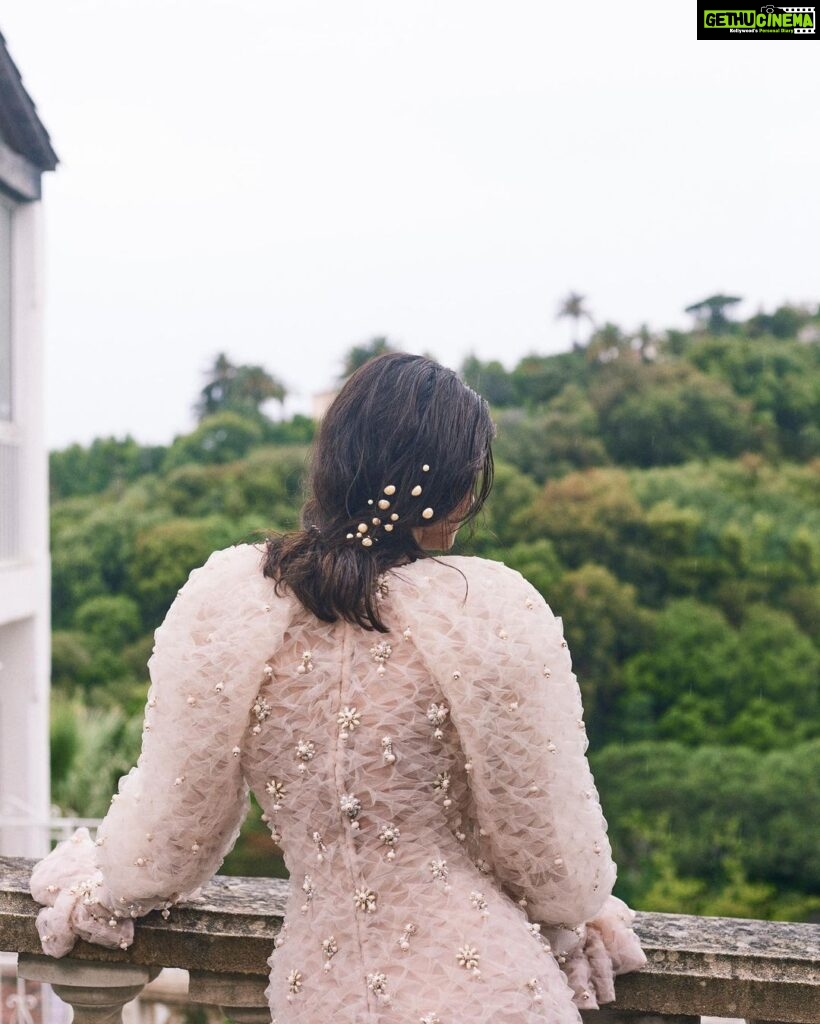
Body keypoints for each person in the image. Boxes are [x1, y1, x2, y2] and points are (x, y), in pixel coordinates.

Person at [30, 353, 646, 1023]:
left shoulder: (230, 606)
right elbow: (558, 873)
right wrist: (581, 915)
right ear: (462, 494)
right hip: (493, 992)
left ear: (332, 464)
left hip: (322, 994)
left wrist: (102, 891)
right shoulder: (489, 609)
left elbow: (167, 848)